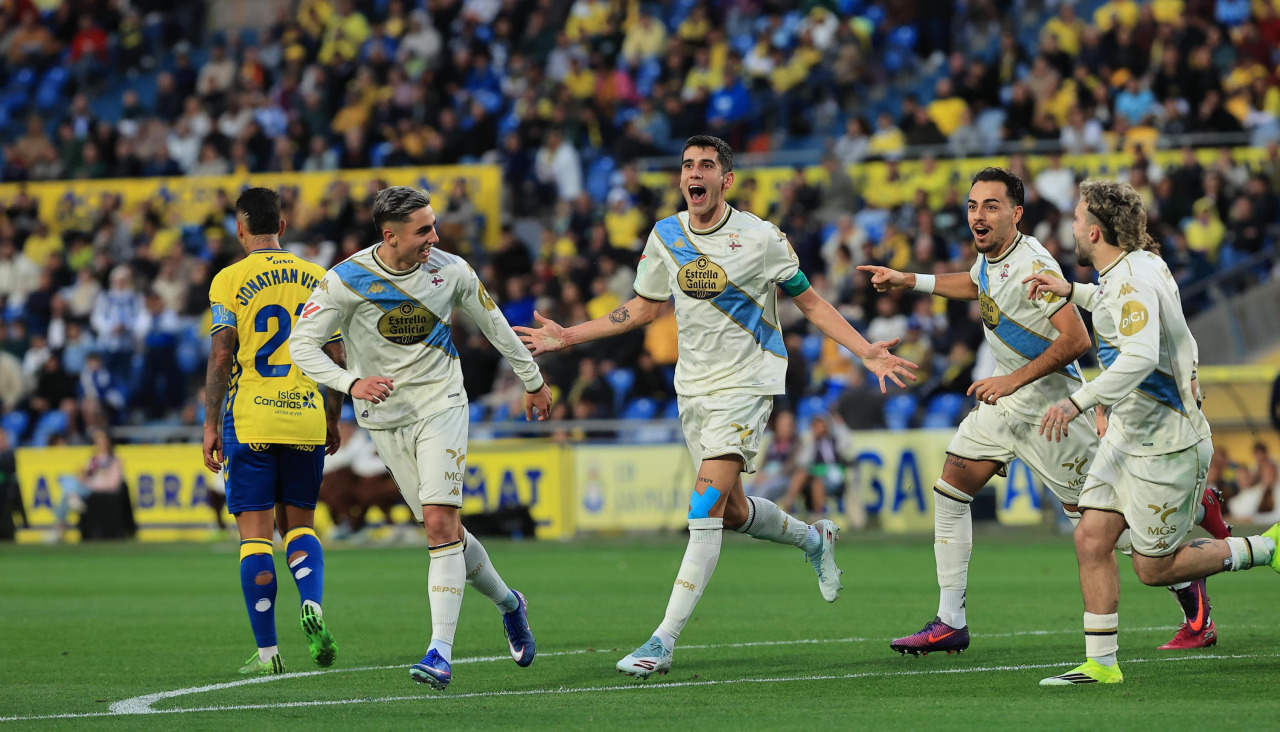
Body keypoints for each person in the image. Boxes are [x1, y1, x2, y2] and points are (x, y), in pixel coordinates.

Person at [515, 135, 917, 679]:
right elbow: (642, 309)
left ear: (726, 180)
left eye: (706, 165)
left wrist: (865, 349)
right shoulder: (666, 235)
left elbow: (811, 302)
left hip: (747, 385)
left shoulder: (761, 237)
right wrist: (568, 336)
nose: (694, 174)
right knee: (731, 511)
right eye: (687, 165)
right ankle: (813, 537)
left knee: (703, 511)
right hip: (694, 389)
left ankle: (662, 640)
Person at [859, 168, 1231, 657]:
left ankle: (1194, 593)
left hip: (1050, 412)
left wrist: (1012, 381)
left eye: (991, 206)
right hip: (1004, 406)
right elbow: (977, 285)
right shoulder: (990, 256)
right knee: (950, 490)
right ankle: (950, 621)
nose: (978, 215)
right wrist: (910, 280)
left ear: (1016, 214)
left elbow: (1077, 340)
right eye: (972, 205)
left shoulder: (1032, 259)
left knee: (1107, 531)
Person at [289, 186, 551, 690]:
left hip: (441, 404)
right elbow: (301, 344)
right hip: (384, 419)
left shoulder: (451, 271)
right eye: (423, 230)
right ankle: (509, 603)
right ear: (389, 236)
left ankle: (439, 653)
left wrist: (533, 380)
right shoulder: (345, 280)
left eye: (434, 226)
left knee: (437, 524)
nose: (435, 237)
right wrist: (350, 383)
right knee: (445, 531)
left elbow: (495, 325)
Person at [1026, 179, 1280, 686]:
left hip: (1168, 446)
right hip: (1129, 435)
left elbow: (1140, 356)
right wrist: (1073, 291)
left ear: (1094, 232)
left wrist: (1078, 401)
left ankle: (1267, 548)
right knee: (1091, 537)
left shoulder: (1131, 282)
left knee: (1154, 569)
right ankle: (1101, 664)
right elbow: (1120, 307)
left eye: (1076, 220)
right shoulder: (1137, 265)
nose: (1070, 227)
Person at [203, 188, 346, 676]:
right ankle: (313, 604)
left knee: (256, 539)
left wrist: (209, 423)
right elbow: (337, 353)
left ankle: (268, 654)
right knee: (300, 528)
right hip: (305, 415)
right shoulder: (318, 277)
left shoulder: (229, 278)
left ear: (240, 229)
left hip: (251, 420)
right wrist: (332, 417)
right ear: (282, 227)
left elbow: (222, 352)